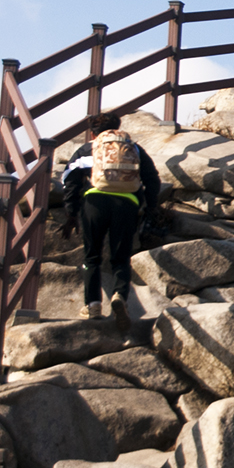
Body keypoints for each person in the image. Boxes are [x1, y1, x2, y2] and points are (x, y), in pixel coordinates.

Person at [60, 117, 163, 324]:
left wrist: (71, 212)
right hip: (127, 204)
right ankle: (119, 296)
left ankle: (93, 305)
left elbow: (70, 180)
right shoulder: (134, 149)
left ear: (92, 134)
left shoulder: (87, 149)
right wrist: (150, 206)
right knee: (121, 257)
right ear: (117, 129)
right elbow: (152, 179)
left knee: (92, 257)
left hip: (95, 203)